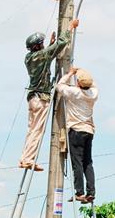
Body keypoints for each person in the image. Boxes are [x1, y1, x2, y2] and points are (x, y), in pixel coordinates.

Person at [19, 18, 79, 171]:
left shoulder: (29, 58)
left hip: (33, 98)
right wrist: (70, 28)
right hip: (41, 98)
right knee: (37, 130)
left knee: (31, 129)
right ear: (38, 46)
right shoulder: (42, 55)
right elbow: (60, 44)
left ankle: (24, 158)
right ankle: (28, 159)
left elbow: (47, 54)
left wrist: (50, 46)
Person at [56, 66, 99, 203]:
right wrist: (83, 74)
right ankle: (91, 192)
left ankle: (79, 192)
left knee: (77, 163)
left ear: (79, 83)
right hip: (89, 131)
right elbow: (93, 85)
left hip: (76, 130)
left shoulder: (74, 92)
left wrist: (70, 73)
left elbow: (59, 86)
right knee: (88, 162)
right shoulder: (93, 93)